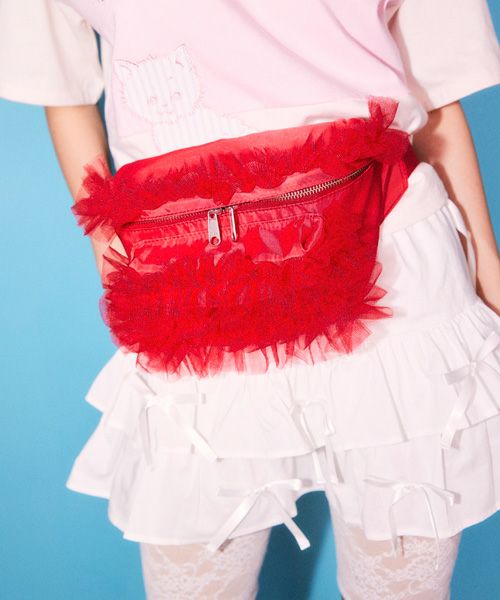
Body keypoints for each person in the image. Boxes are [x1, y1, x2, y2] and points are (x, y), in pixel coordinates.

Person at [1, 1, 499, 598]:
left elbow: (437, 92)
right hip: (189, 271)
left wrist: (488, 270)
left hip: (391, 250)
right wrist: (108, 248)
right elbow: (63, 84)